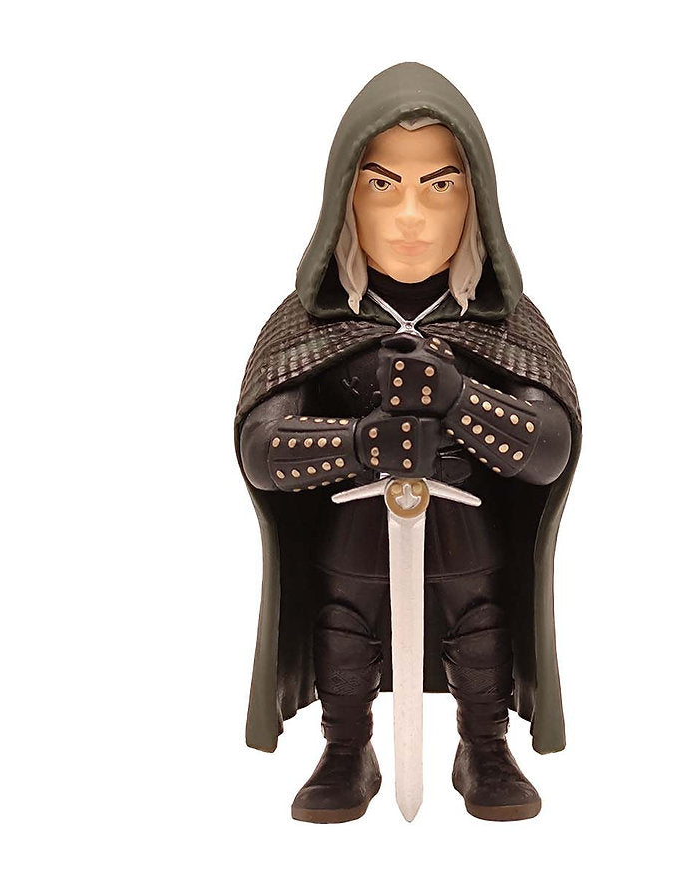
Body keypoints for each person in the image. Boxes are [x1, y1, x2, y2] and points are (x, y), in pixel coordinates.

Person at [236, 62, 581, 822]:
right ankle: (345, 750)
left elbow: (549, 447)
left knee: (480, 622)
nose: (411, 216)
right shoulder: (307, 324)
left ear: (475, 200)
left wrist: (459, 399)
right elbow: (263, 450)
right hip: (353, 532)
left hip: (468, 531)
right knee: (344, 620)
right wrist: (359, 445)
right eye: (383, 185)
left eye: (440, 186)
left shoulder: (506, 324)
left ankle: (485, 747)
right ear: (346, 197)